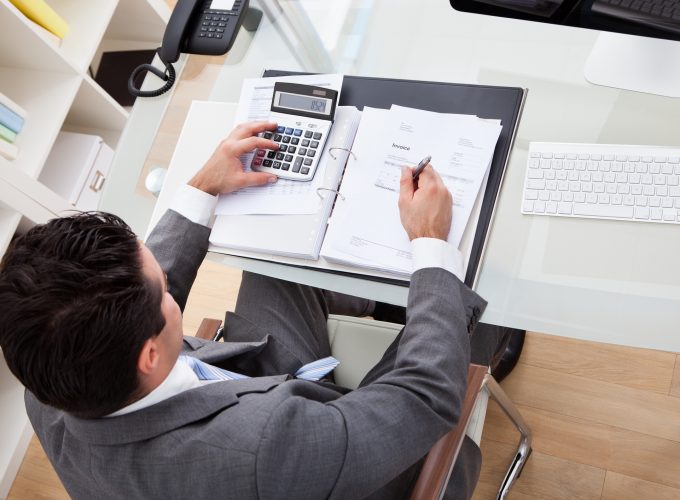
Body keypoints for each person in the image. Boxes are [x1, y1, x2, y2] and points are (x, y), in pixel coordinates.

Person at [0, 121, 507, 499]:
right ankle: (483, 330)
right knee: (470, 281)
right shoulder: (261, 451)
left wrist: (201, 187)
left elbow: (131, 297)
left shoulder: (47, 382)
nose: (169, 282)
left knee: (273, 259)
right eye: (165, 290)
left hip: (246, 393)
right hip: (338, 462)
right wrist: (428, 245)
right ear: (149, 355)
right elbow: (425, 396)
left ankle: (386, 295)